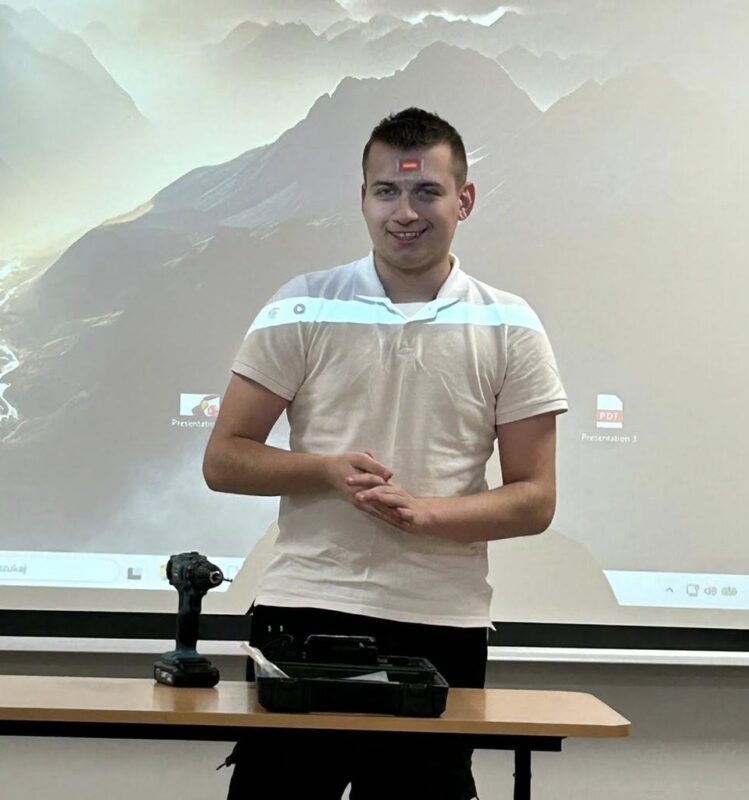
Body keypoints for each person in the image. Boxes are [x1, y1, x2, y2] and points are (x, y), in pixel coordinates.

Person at [203, 107, 569, 800]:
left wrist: (428, 514)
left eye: (426, 191)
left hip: (441, 624)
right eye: (387, 192)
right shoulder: (303, 304)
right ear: (363, 198)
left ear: (464, 199)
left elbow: (535, 499)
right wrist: (326, 470)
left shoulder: (510, 324)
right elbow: (224, 459)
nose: (405, 212)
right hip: (304, 612)